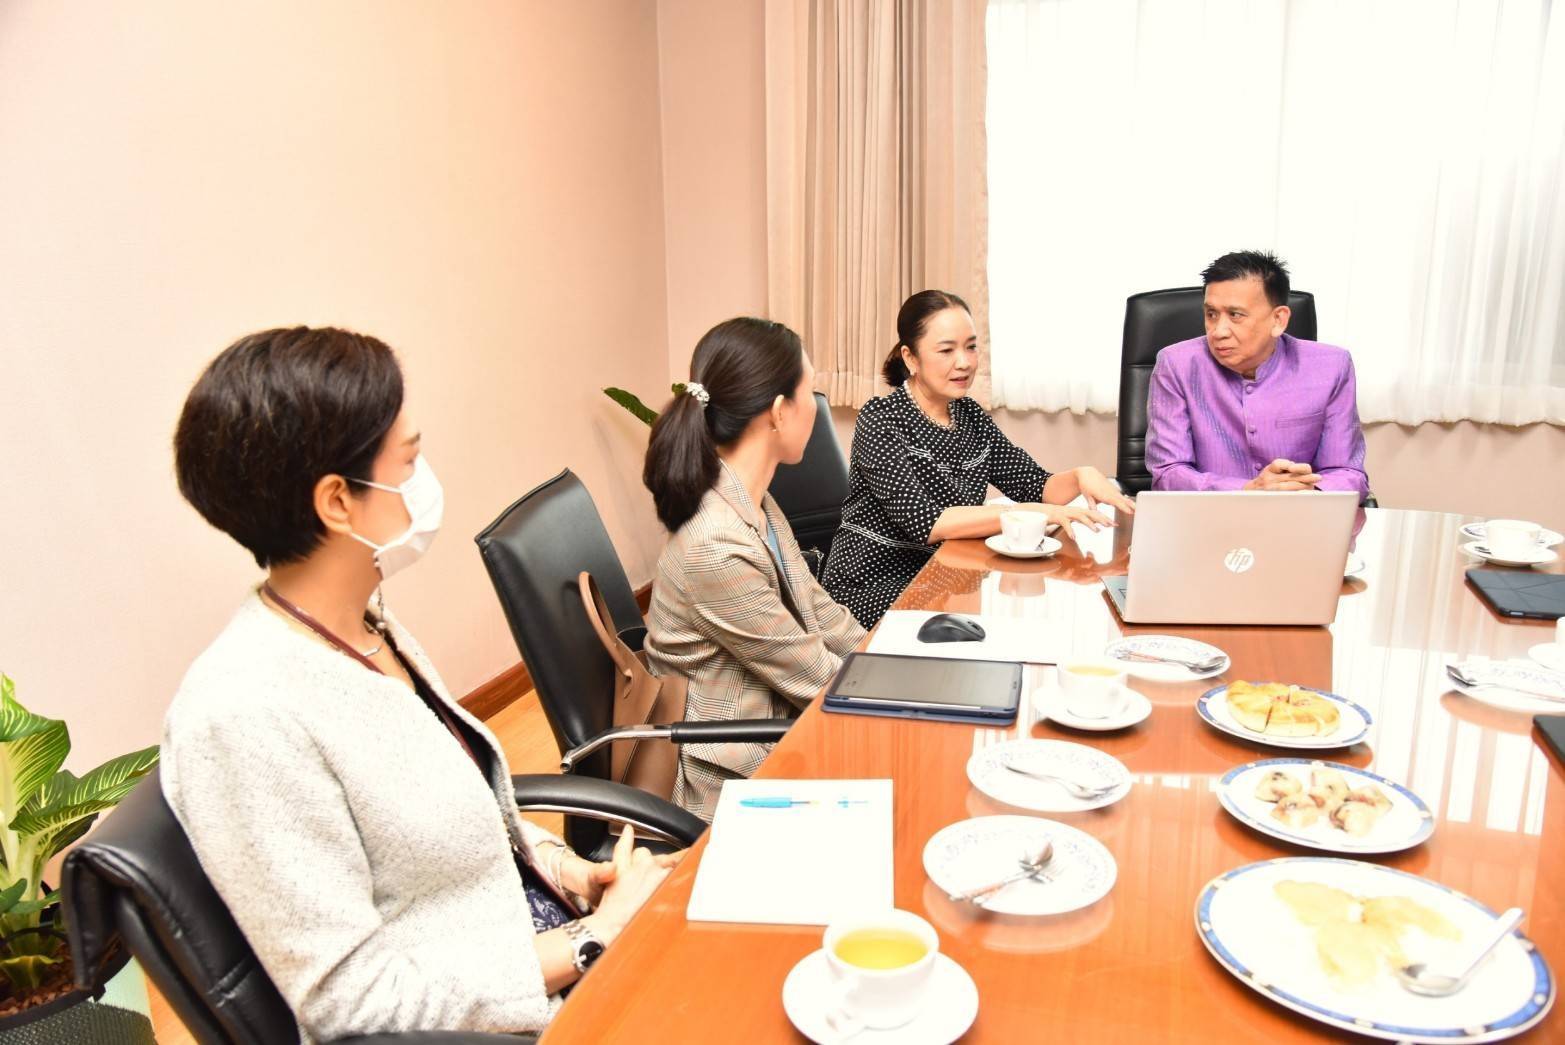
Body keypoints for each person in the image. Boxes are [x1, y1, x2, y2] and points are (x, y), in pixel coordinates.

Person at [164, 327, 676, 1042]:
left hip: (538, 940)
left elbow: (456, 821)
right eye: (408, 460)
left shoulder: (365, 625)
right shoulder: (243, 717)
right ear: (337, 502)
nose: (425, 477)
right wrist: (595, 938)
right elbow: (350, 1003)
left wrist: (571, 874)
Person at [642, 317, 866, 822]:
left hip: (780, 729)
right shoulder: (715, 545)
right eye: (811, 390)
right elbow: (815, 678)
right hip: (733, 776)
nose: (817, 406)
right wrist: (907, 692)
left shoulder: (754, 500)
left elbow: (820, 611)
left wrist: (890, 657)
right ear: (780, 411)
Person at [821, 290, 1134, 628]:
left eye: (971, 347)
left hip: (946, 575)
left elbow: (1036, 486)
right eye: (946, 350)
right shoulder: (881, 419)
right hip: (873, 584)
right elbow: (926, 523)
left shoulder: (969, 415)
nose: (964, 362)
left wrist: (1080, 476)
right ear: (910, 358)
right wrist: (1030, 514)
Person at [1144, 250, 1370, 501]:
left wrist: (1307, 491)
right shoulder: (1177, 365)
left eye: (1235, 315)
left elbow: (1349, 474)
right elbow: (1168, 473)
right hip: (1208, 517)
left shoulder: (1331, 367)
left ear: (1278, 320)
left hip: (1297, 516)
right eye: (1211, 314)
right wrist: (1248, 491)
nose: (1218, 331)